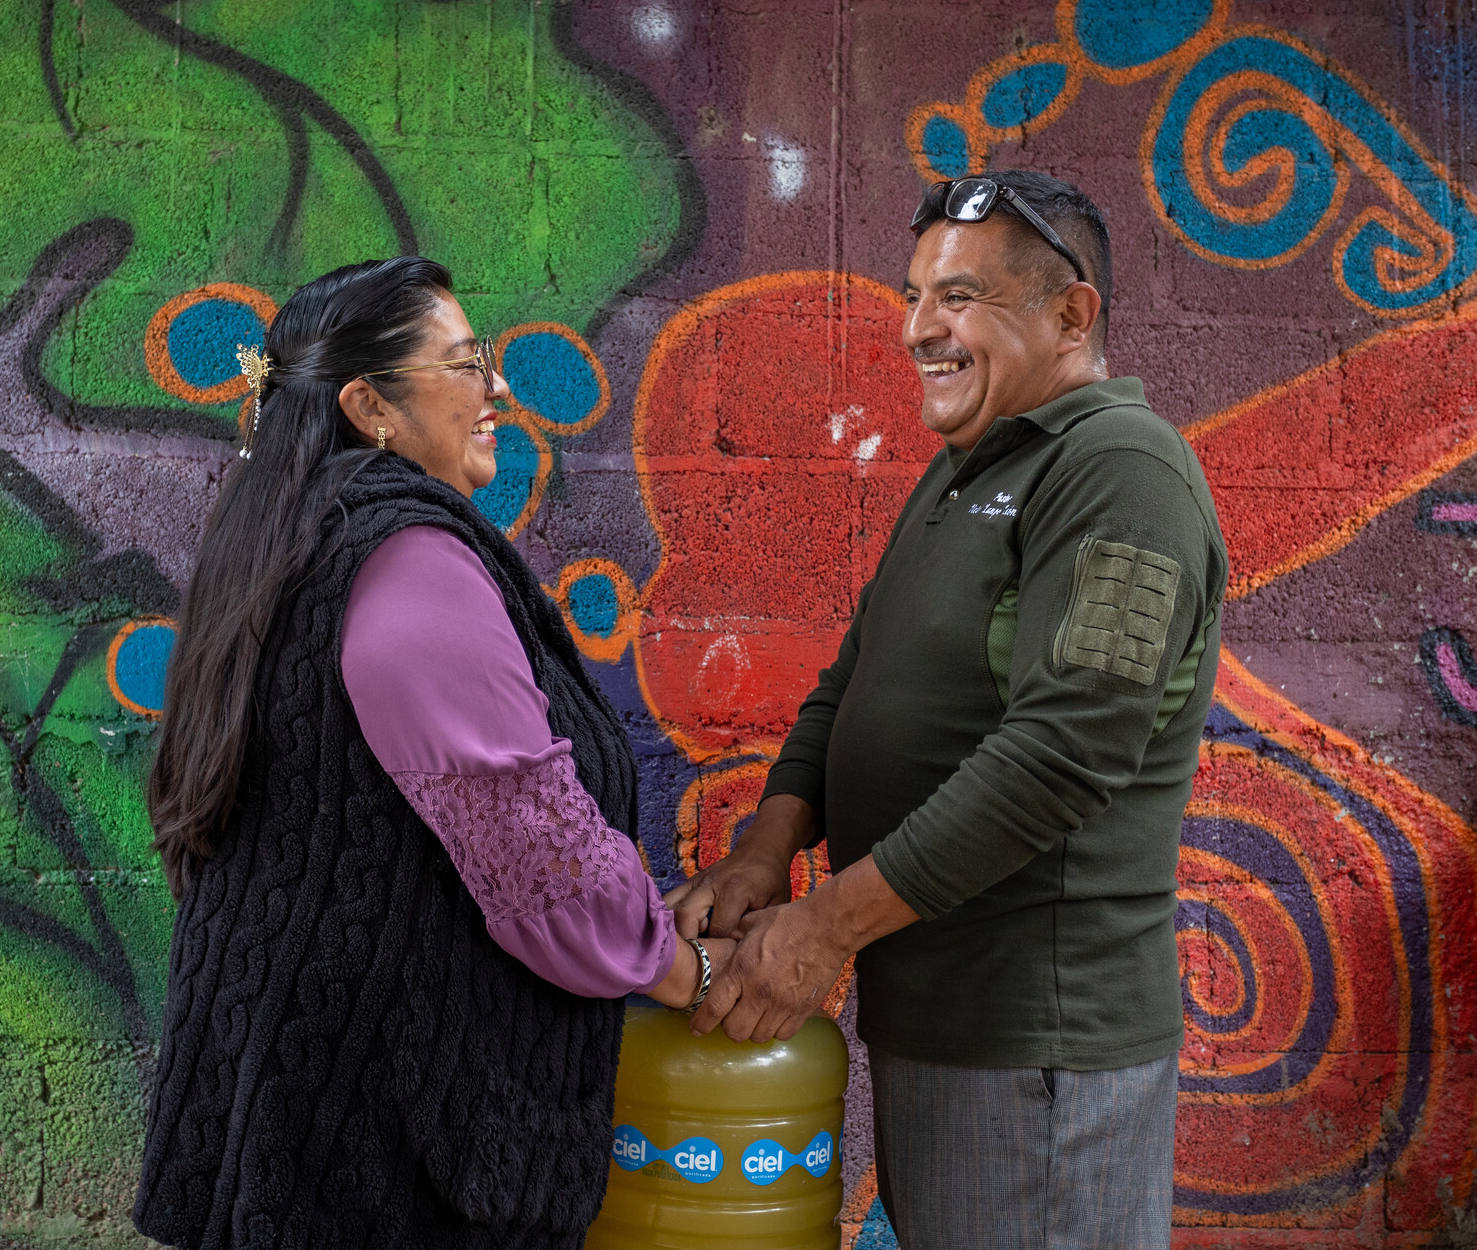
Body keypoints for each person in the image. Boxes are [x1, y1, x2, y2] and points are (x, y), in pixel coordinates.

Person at [668, 172, 1228, 1247]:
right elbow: (851, 682)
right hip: (943, 1024)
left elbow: (1065, 753)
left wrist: (823, 927)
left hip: (1035, 1048)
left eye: (957, 297)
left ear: (1070, 315)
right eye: (914, 294)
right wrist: (763, 850)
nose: (917, 329)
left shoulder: (1119, 472)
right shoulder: (965, 470)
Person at [133, 257, 731, 1250]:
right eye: (462, 365)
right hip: (378, 1159)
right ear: (371, 405)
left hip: (294, 1115)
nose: (495, 388)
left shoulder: (289, 537)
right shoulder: (408, 565)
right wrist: (688, 974)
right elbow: (535, 858)